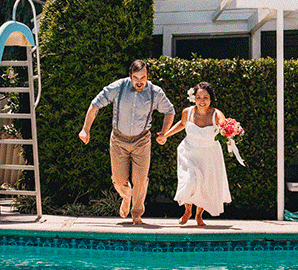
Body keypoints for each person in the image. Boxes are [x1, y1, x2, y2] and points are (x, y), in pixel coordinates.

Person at [79, 60, 175, 226]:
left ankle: (137, 214)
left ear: (148, 76)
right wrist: (85, 129)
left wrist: (163, 132)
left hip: (142, 140)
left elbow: (170, 111)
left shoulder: (155, 92)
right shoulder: (118, 87)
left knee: (141, 179)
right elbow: (95, 105)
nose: (139, 81)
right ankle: (126, 196)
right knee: (118, 180)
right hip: (118, 139)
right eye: (136, 77)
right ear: (130, 76)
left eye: (143, 77)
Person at [157, 81, 232, 227]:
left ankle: (199, 215)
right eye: (199, 97)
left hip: (208, 155)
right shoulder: (188, 112)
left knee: (204, 185)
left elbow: (224, 126)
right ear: (194, 98)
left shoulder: (216, 114)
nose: (202, 101)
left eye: (205, 97)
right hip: (189, 152)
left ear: (211, 99)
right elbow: (181, 124)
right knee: (189, 180)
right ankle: (187, 210)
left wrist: (229, 137)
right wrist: (165, 135)